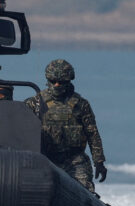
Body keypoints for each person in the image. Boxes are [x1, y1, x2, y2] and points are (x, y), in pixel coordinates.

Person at [24, 59, 107, 193]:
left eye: (61, 82)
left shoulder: (81, 105)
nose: (57, 85)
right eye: (53, 81)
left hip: (75, 160)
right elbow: (21, 132)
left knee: (85, 192)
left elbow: (92, 134)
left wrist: (99, 161)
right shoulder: (35, 104)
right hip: (46, 160)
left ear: (68, 81)